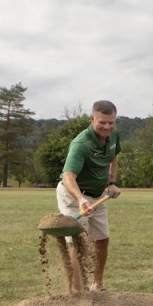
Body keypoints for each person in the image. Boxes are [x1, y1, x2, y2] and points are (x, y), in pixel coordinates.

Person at [56, 100, 122, 292]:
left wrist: (112, 182)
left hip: (99, 194)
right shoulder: (81, 144)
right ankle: (77, 290)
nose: (107, 127)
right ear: (92, 119)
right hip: (74, 196)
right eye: (102, 122)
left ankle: (97, 284)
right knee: (78, 240)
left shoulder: (114, 136)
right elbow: (68, 176)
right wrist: (80, 199)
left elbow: (114, 157)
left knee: (102, 238)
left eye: (111, 122)